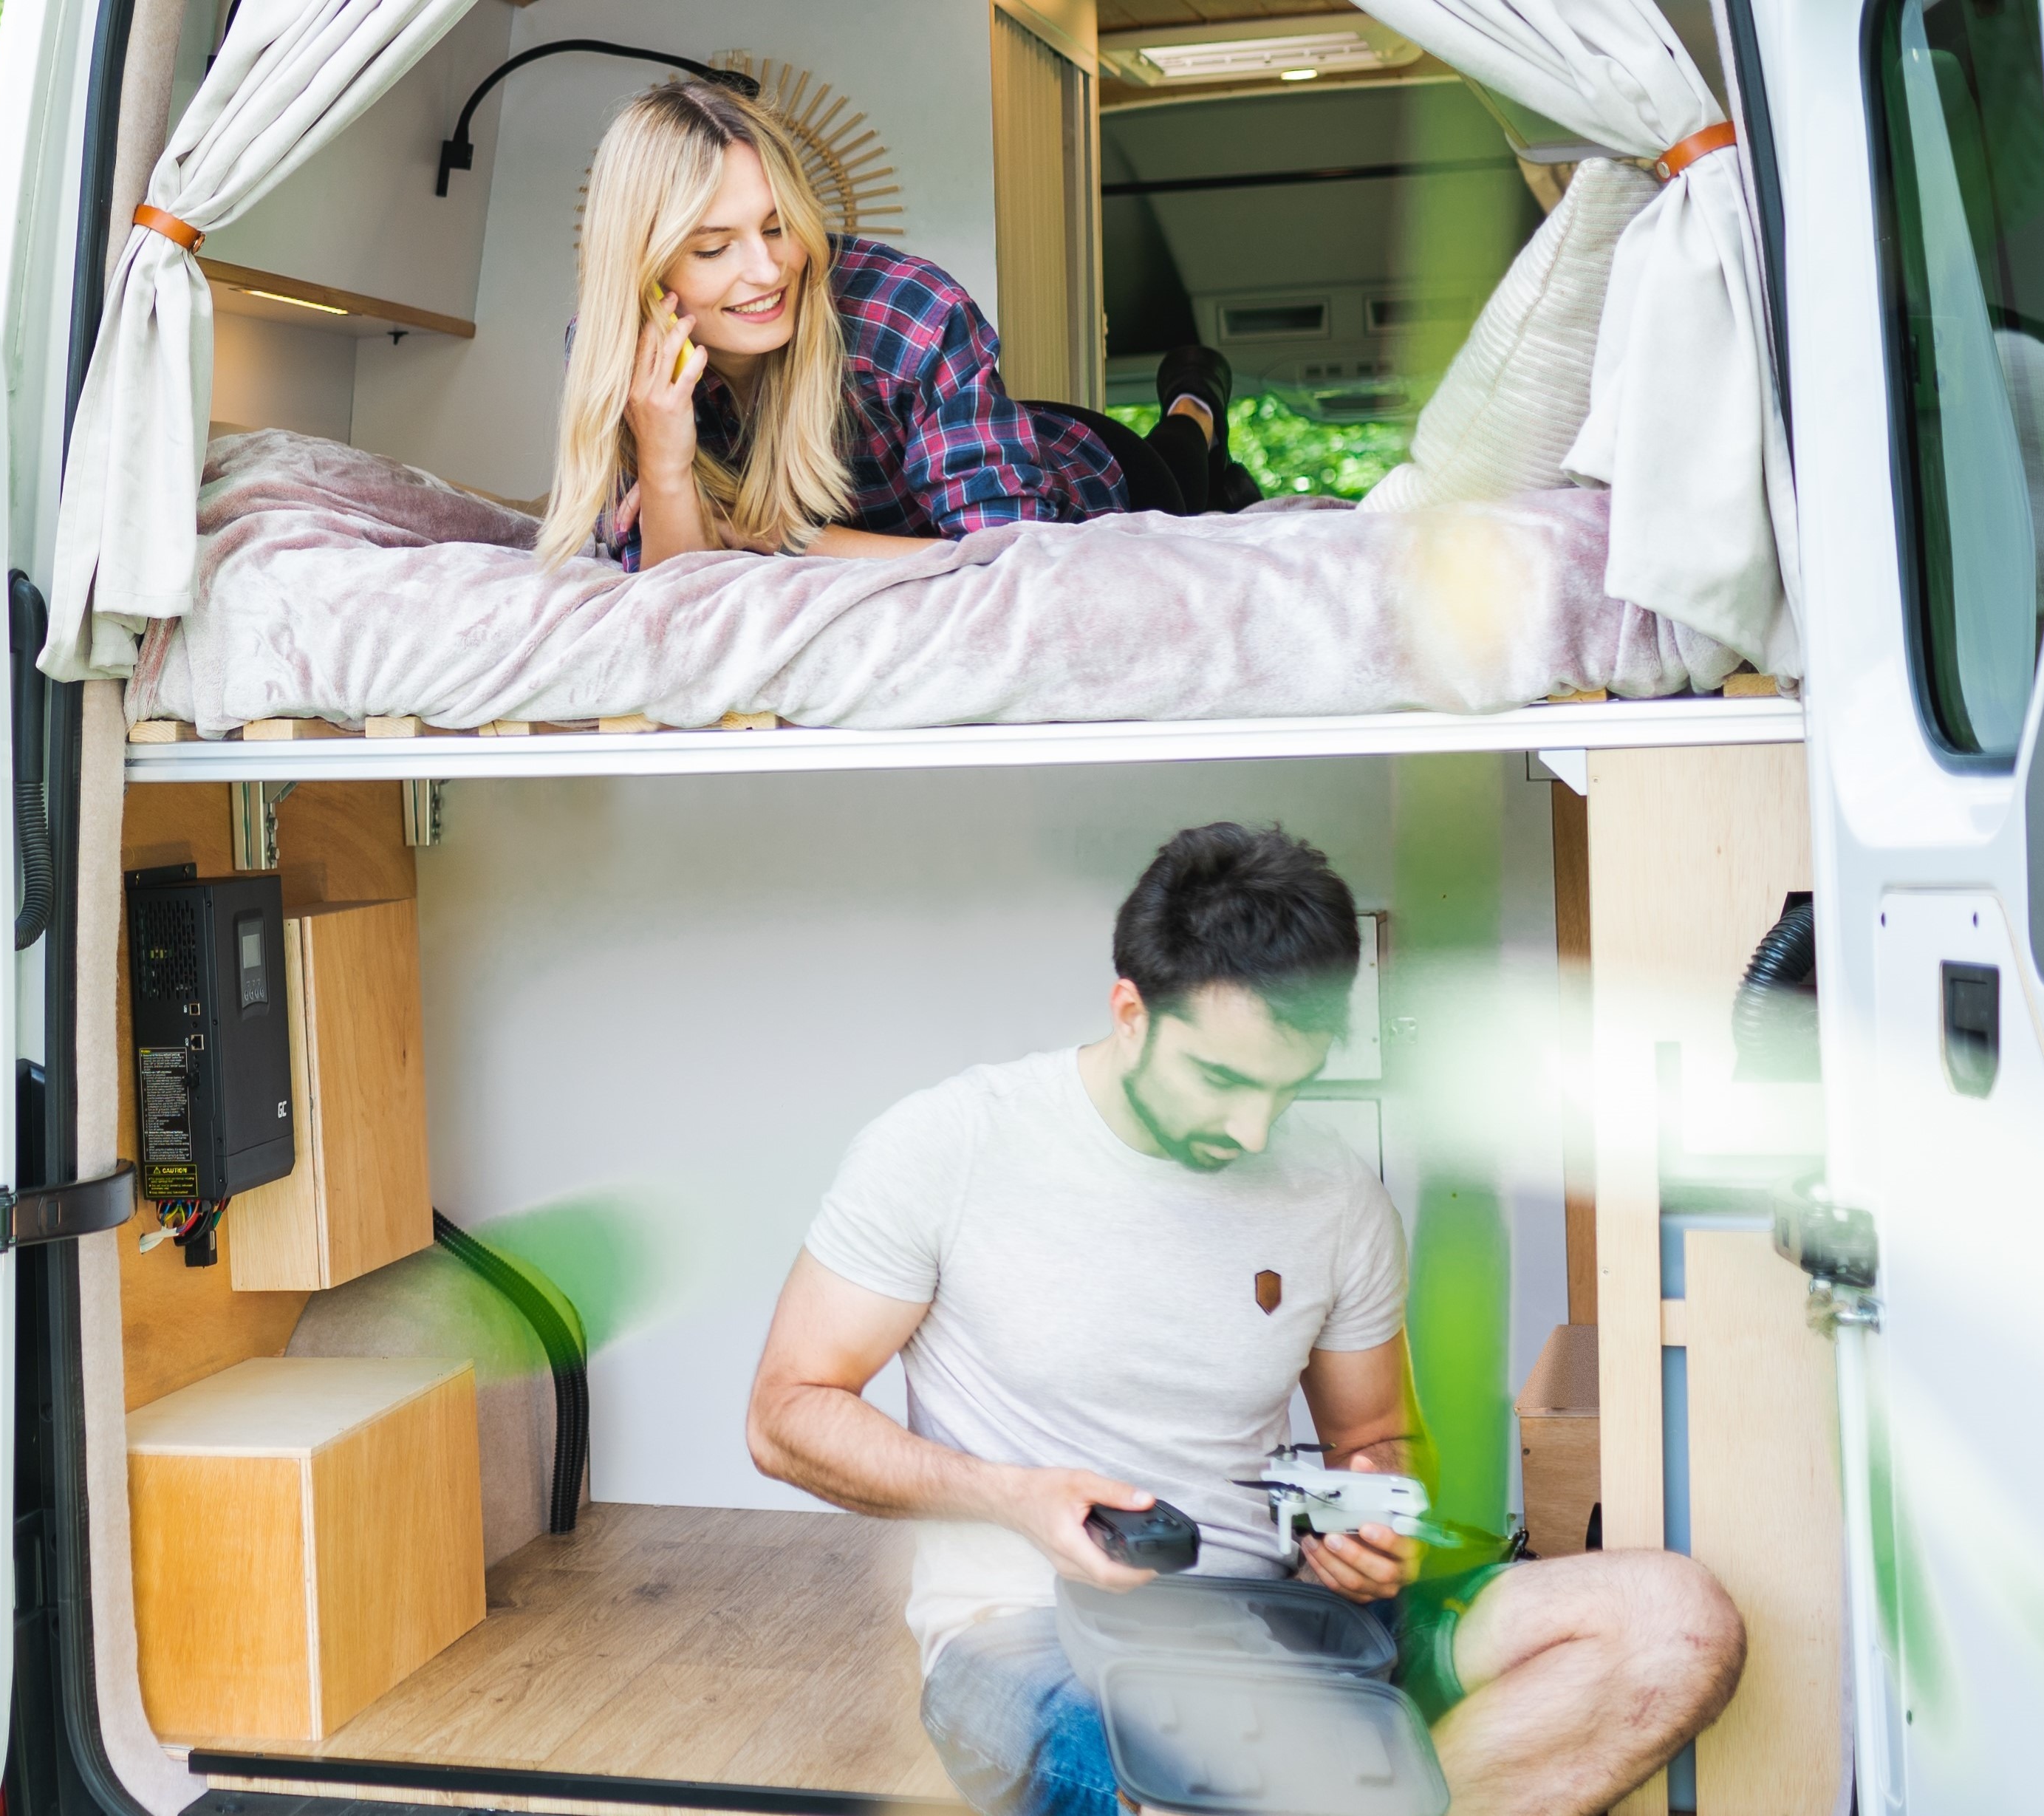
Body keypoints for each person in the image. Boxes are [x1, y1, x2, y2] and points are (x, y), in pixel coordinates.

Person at [742, 823, 1743, 1816]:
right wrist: (1010, 1495)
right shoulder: (946, 1146)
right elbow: (786, 1413)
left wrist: (1368, 1520)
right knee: (1218, 1788)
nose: (1254, 1130)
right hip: (1036, 1635)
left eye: (1289, 1085)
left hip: (1296, 1621)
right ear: (1128, 1010)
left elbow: (1376, 1437)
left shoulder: (1333, 1193)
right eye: (1220, 1080)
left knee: (1673, 1625)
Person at [533, 78, 1259, 576]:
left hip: (1090, 475)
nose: (766, 270)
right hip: (952, 475)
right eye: (715, 247)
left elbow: (1015, 565)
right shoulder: (614, 355)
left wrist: (792, 539)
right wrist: (664, 458)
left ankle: (1195, 398)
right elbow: (673, 594)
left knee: (1183, 467)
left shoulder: (909, 313)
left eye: (780, 226)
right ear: (646, 271)